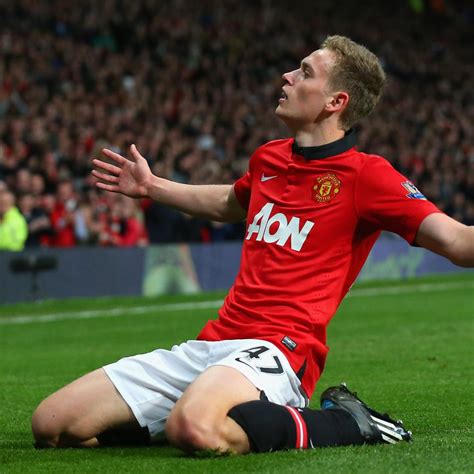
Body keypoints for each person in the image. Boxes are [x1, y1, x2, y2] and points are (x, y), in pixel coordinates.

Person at [31, 35, 473, 453]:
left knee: (195, 427)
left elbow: (456, 240)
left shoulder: (367, 176)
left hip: (282, 349)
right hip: (215, 343)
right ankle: (208, 412)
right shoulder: (269, 157)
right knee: (52, 424)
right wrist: (152, 187)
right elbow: (230, 202)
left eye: (305, 72)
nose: (288, 77)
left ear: (336, 102)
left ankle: (349, 422)